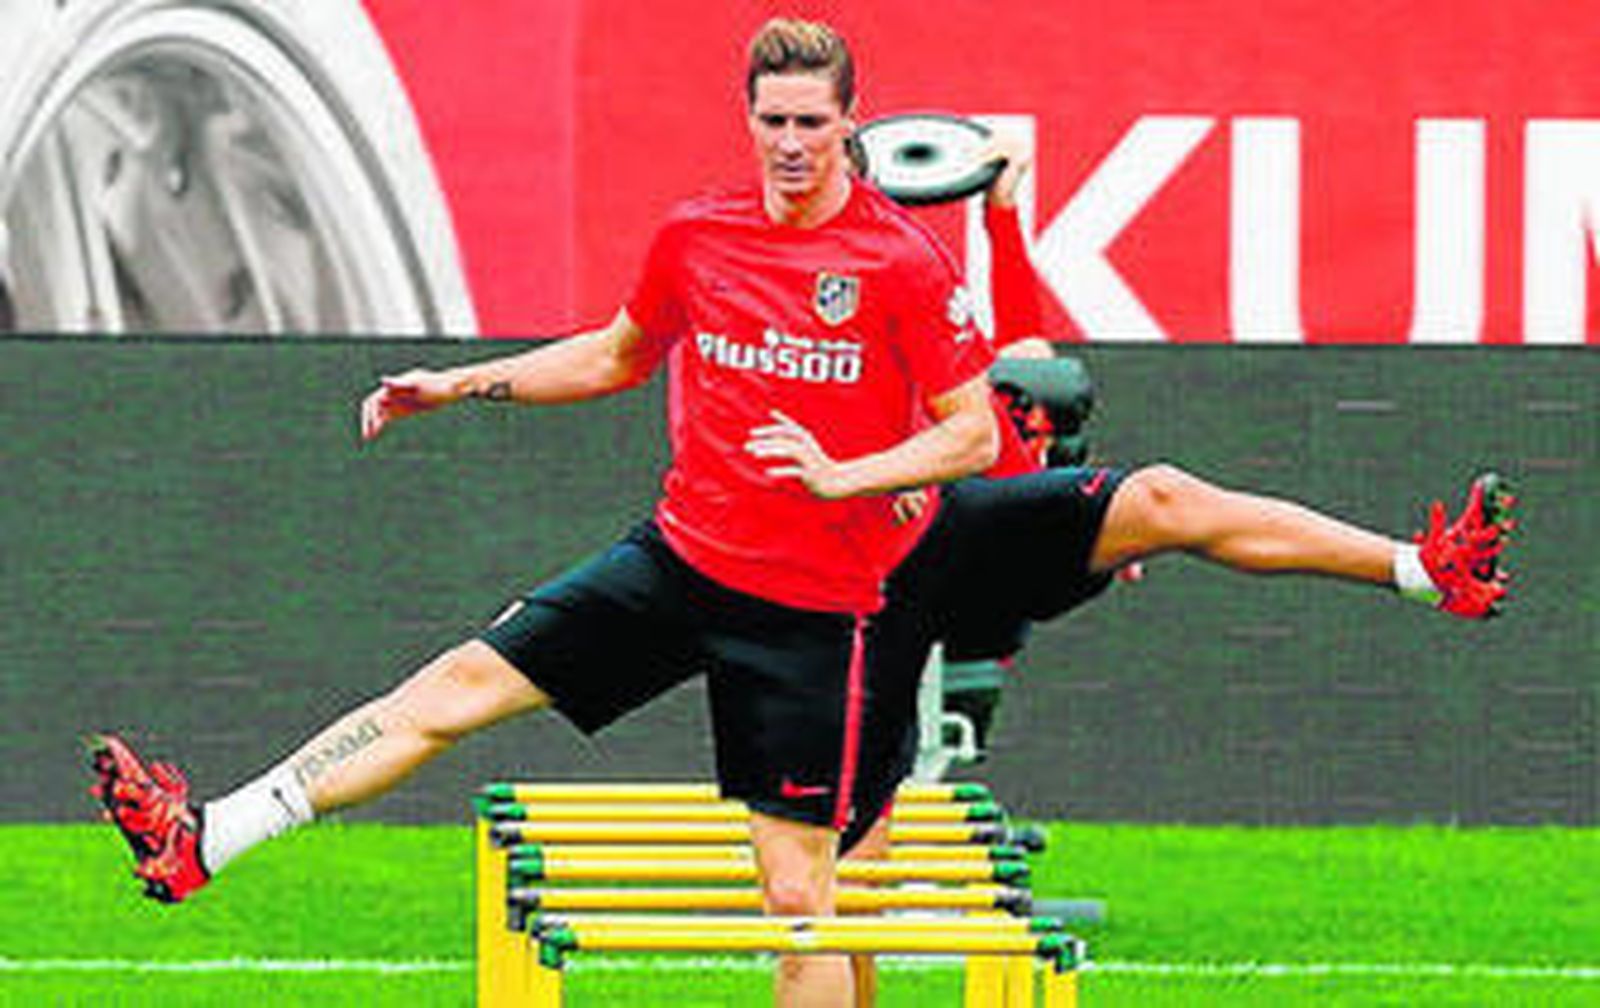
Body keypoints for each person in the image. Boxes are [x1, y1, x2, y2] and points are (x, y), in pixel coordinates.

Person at [90, 19, 999, 1008]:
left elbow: (973, 436)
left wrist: (843, 472)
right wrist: (456, 383)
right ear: (747, 116)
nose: (789, 143)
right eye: (772, 120)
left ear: (848, 121)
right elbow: (613, 354)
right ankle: (209, 837)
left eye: (810, 123)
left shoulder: (897, 260)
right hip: (679, 562)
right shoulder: (698, 235)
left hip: (809, 611)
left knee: (796, 900)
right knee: (451, 689)